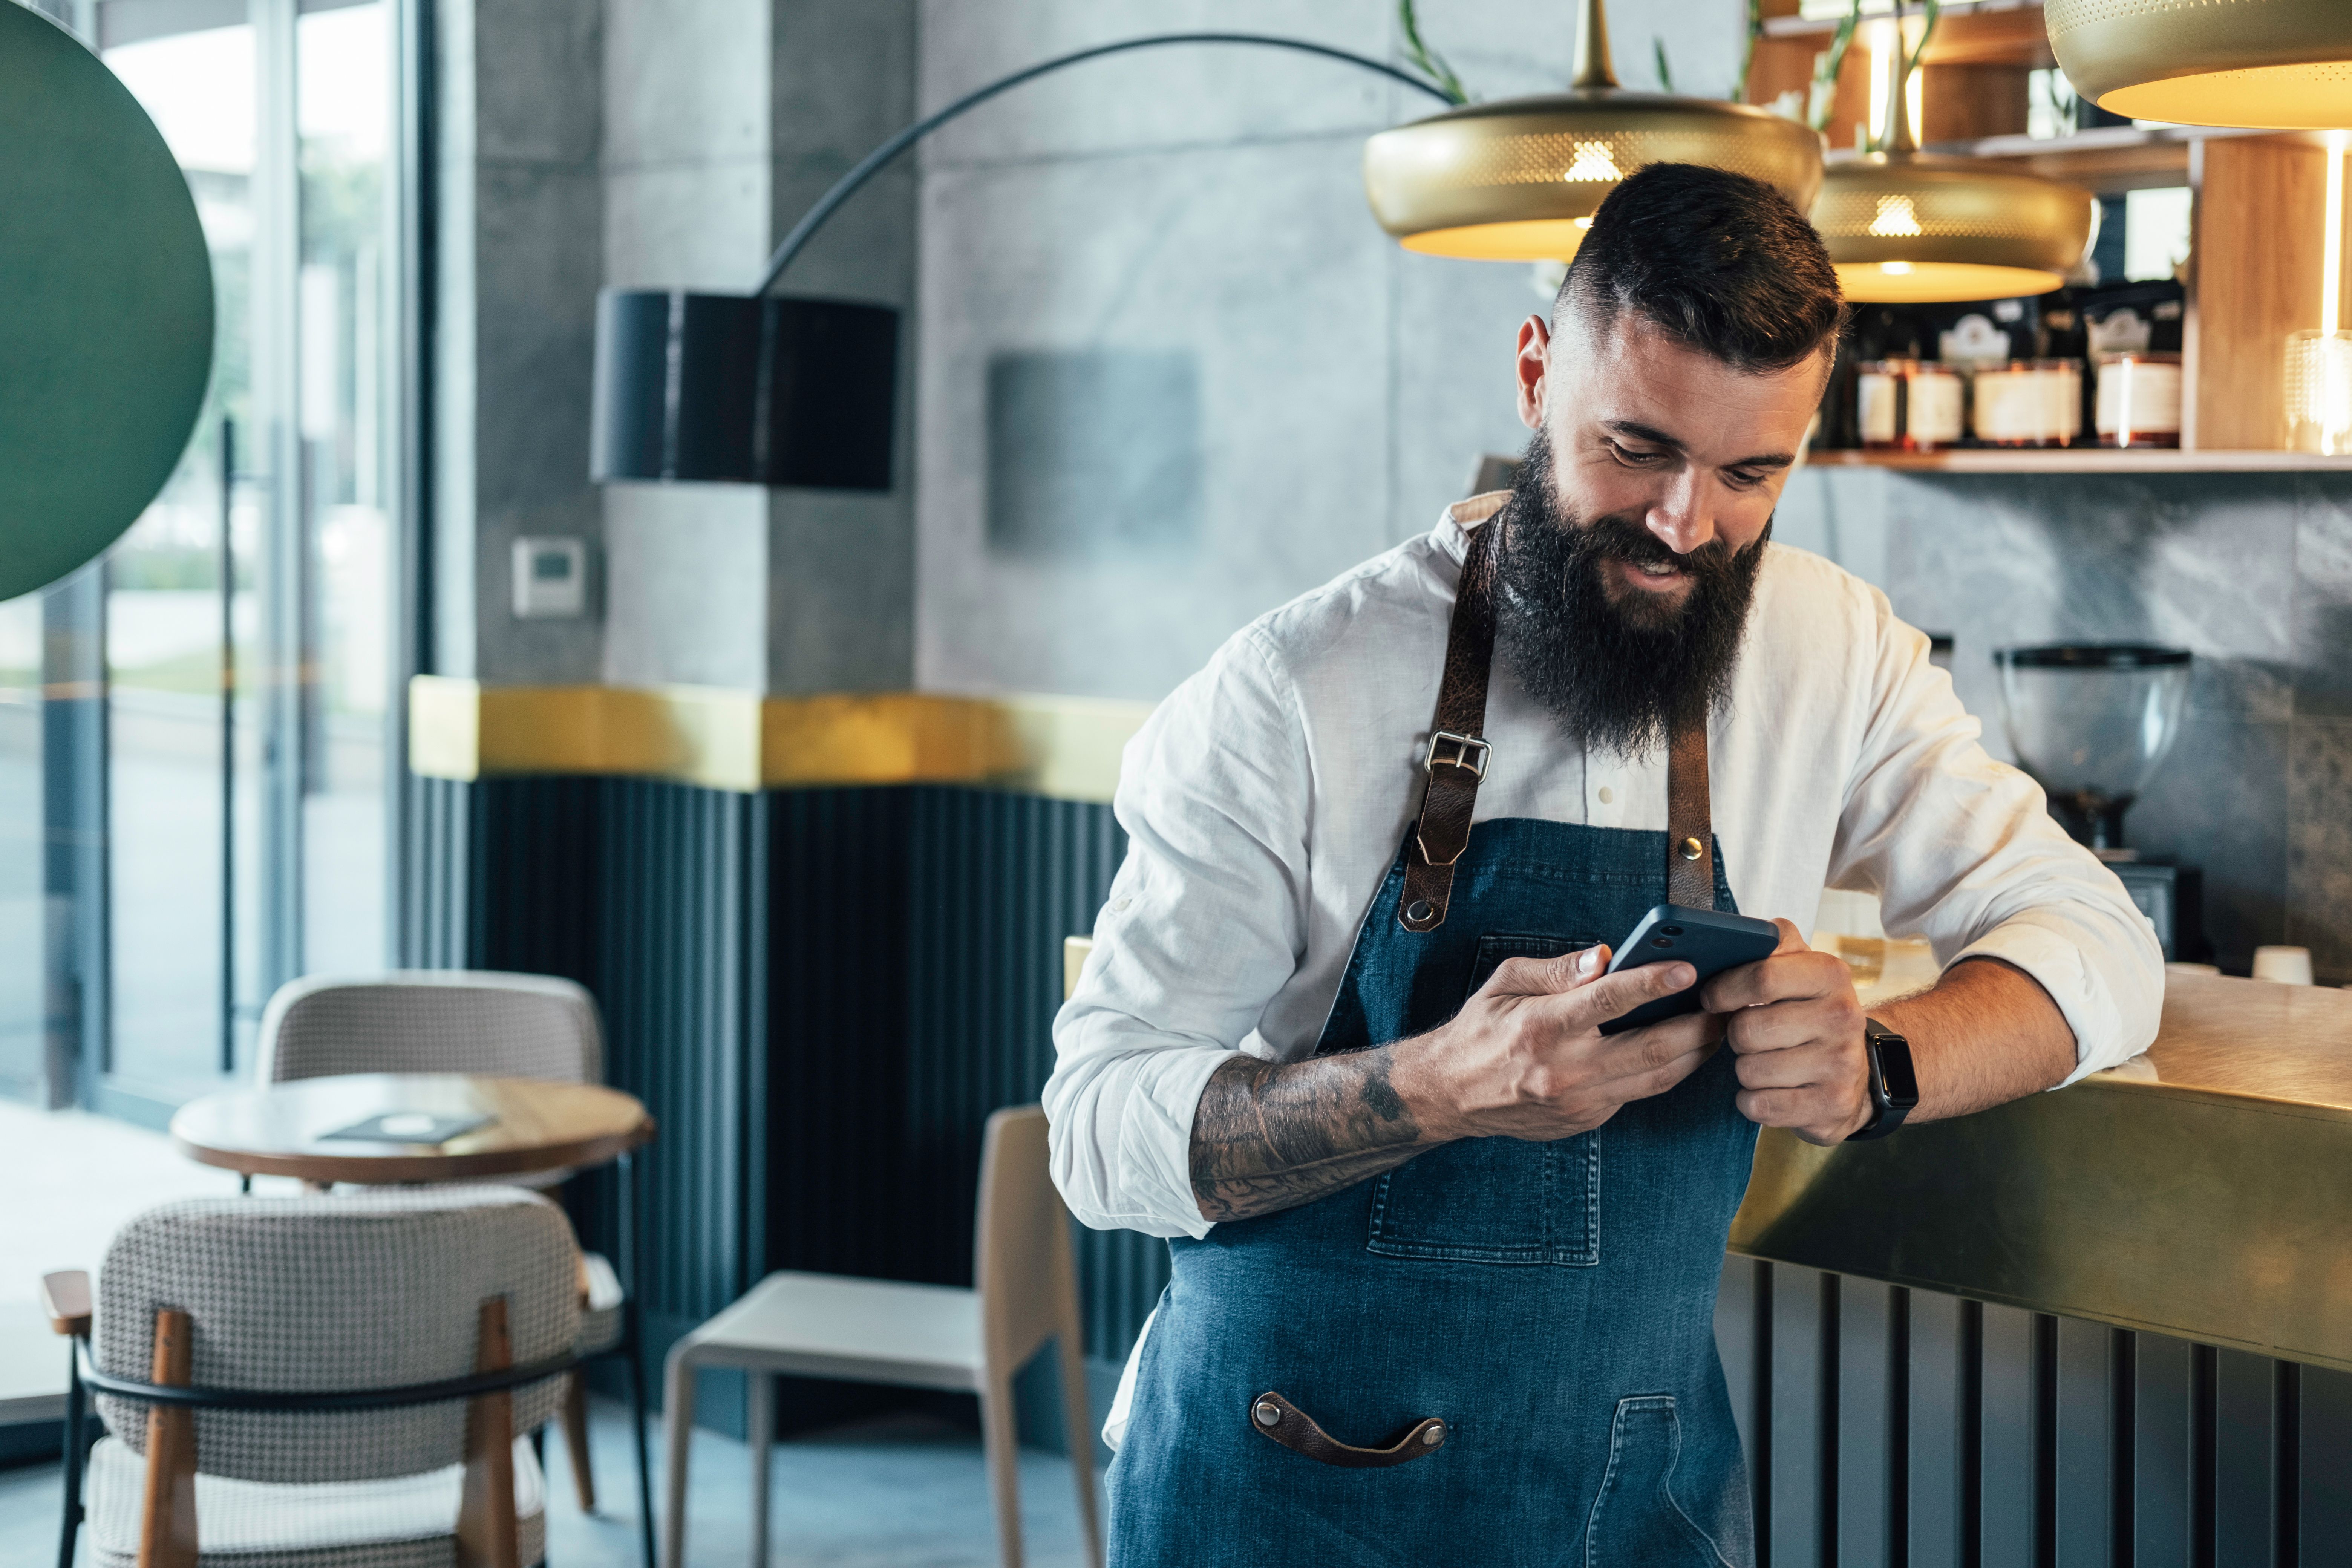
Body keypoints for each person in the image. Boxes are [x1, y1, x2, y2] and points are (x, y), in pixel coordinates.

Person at [1044, 162, 2162, 1565]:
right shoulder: (1293, 688)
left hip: (1631, 1493)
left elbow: (2100, 940)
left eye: (1752, 473)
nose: (1686, 524)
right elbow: (1099, 1131)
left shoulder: (1831, 652)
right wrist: (1438, 1084)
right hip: (1286, 1483)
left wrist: (1879, 1065)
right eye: (1636, 450)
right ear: (1534, 374)